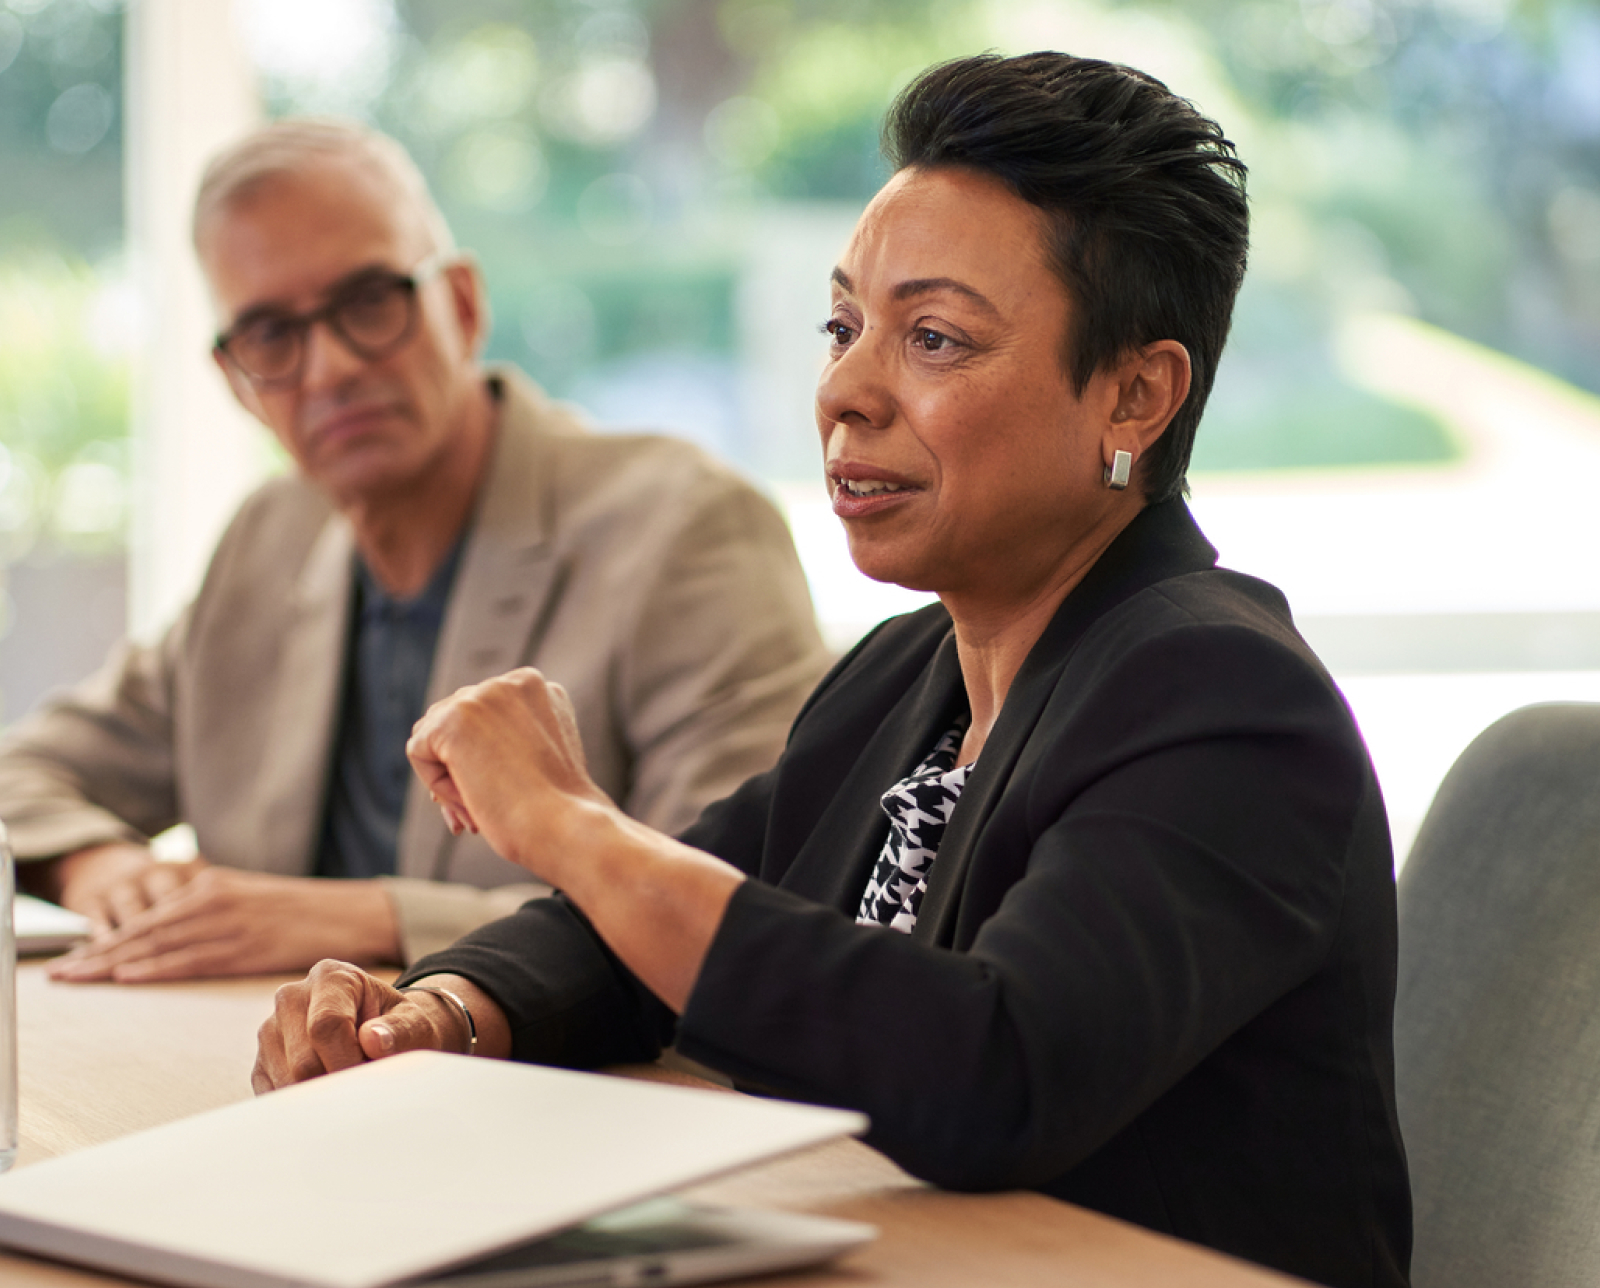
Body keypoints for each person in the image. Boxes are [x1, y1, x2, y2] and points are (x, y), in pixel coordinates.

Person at [253, 54, 1412, 1288]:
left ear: (1133, 395)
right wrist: (435, 1015)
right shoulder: (910, 671)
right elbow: (661, 926)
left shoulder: (1223, 700)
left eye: (933, 338)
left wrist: (568, 820)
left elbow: (991, 1072)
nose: (847, 393)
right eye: (843, 325)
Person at [0, 118, 829, 980]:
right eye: (271, 336)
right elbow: (22, 775)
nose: (328, 370)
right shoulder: (266, 540)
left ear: (463, 304)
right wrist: (102, 868)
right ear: (237, 382)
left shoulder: (686, 528)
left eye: (368, 302)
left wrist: (369, 919)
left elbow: (738, 903)